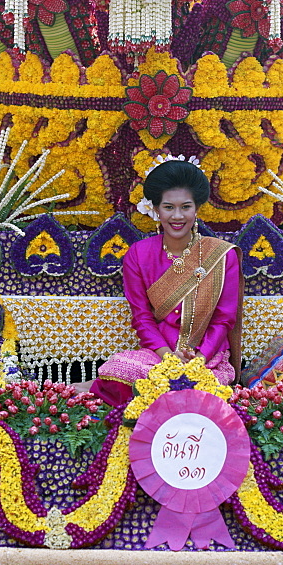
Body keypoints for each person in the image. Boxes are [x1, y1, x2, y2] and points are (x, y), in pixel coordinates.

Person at [89, 159, 243, 411]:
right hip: (158, 355)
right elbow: (142, 319)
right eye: (169, 207)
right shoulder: (138, 254)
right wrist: (168, 357)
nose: (178, 216)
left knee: (198, 391)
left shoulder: (222, 256)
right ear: (156, 210)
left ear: (197, 209)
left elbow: (224, 319)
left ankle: (92, 389)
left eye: (186, 207)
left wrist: (199, 359)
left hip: (208, 357)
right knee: (117, 372)